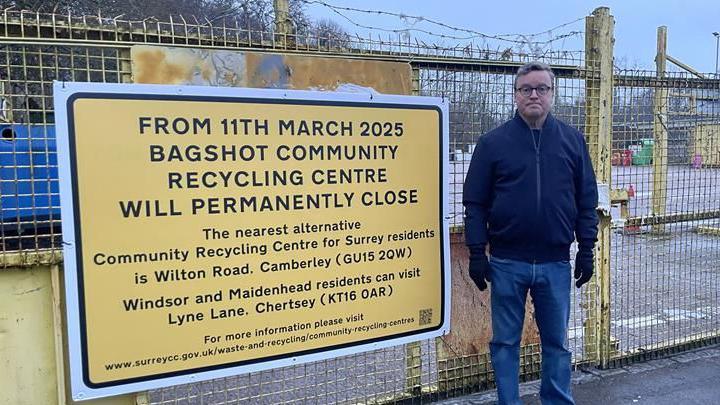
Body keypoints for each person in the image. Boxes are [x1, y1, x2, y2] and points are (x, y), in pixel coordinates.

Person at [462, 61, 599, 405]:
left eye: (541, 88)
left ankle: (556, 400)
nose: (534, 94)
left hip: (555, 263)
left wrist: (587, 249)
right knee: (506, 343)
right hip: (507, 262)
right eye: (526, 89)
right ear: (516, 95)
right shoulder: (493, 143)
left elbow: (586, 201)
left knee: (557, 344)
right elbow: (475, 203)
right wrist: (478, 253)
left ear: (552, 93)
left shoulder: (572, 141)